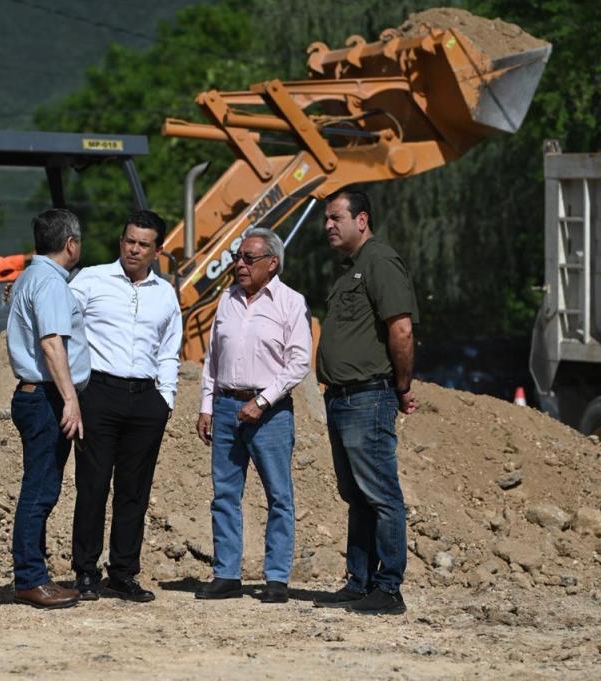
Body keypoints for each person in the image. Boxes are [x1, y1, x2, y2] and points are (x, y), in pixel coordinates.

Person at [313, 188, 418, 616]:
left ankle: (388, 588)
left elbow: (401, 329)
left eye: (336, 217)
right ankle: (360, 581)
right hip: (341, 398)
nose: (328, 226)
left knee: (380, 494)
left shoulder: (380, 261)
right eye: (326, 219)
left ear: (362, 220)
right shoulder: (350, 269)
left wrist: (402, 386)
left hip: (367, 397)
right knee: (356, 495)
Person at [68, 210, 182, 603]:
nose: (134, 249)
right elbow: (62, 326)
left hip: (146, 399)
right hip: (99, 393)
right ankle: (85, 572)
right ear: (121, 242)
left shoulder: (165, 294)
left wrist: (165, 399)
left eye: (143, 244)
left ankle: (123, 573)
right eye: (129, 241)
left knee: (135, 491)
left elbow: (169, 349)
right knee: (93, 485)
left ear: (157, 251)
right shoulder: (90, 280)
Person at [194, 227, 311, 604]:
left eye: (248, 258)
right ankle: (227, 574)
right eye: (237, 257)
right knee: (225, 494)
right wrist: (207, 405)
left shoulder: (291, 302)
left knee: (279, 495)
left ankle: (276, 578)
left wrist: (262, 401)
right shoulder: (226, 300)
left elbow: (299, 362)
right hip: (227, 406)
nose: (239, 265)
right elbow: (212, 358)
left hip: (270, 413)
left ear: (272, 263)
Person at [5, 207, 90, 610]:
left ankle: (33, 574)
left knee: (40, 486)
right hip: (45, 397)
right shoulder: (51, 284)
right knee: (40, 490)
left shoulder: (30, 277)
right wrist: (70, 399)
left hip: (35, 394)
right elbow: (51, 343)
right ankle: (30, 579)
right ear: (71, 244)